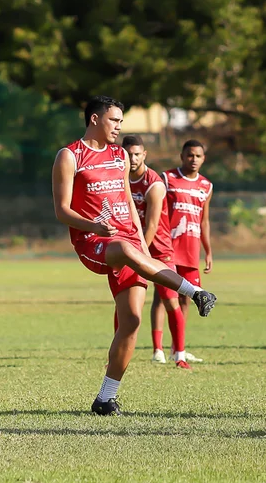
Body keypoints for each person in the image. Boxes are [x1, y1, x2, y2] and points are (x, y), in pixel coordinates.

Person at [52, 96, 217, 415]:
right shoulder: (70, 156)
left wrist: (142, 244)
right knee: (127, 251)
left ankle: (104, 399)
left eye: (121, 121)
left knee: (131, 322)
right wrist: (94, 226)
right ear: (96, 120)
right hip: (94, 242)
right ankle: (194, 292)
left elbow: (128, 203)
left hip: (127, 243)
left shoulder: (119, 157)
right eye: (115, 120)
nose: (119, 127)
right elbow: (61, 210)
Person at [122, 135, 182, 367]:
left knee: (170, 300)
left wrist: (141, 255)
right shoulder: (120, 179)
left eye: (137, 154)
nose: (133, 158)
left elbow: (153, 225)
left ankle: (180, 355)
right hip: (133, 248)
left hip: (158, 249)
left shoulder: (154, 183)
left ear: (144, 155)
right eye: (129, 154)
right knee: (125, 301)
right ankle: (151, 351)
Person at [163, 140, 213, 368]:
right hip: (168, 248)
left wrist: (208, 251)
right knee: (166, 300)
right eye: (190, 155)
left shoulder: (206, 185)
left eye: (198, 156)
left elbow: (205, 221)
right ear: (182, 156)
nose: (194, 159)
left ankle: (177, 347)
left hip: (191, 251)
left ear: (203, 159)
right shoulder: (167, 179)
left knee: (188, 298)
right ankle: (162, 349)